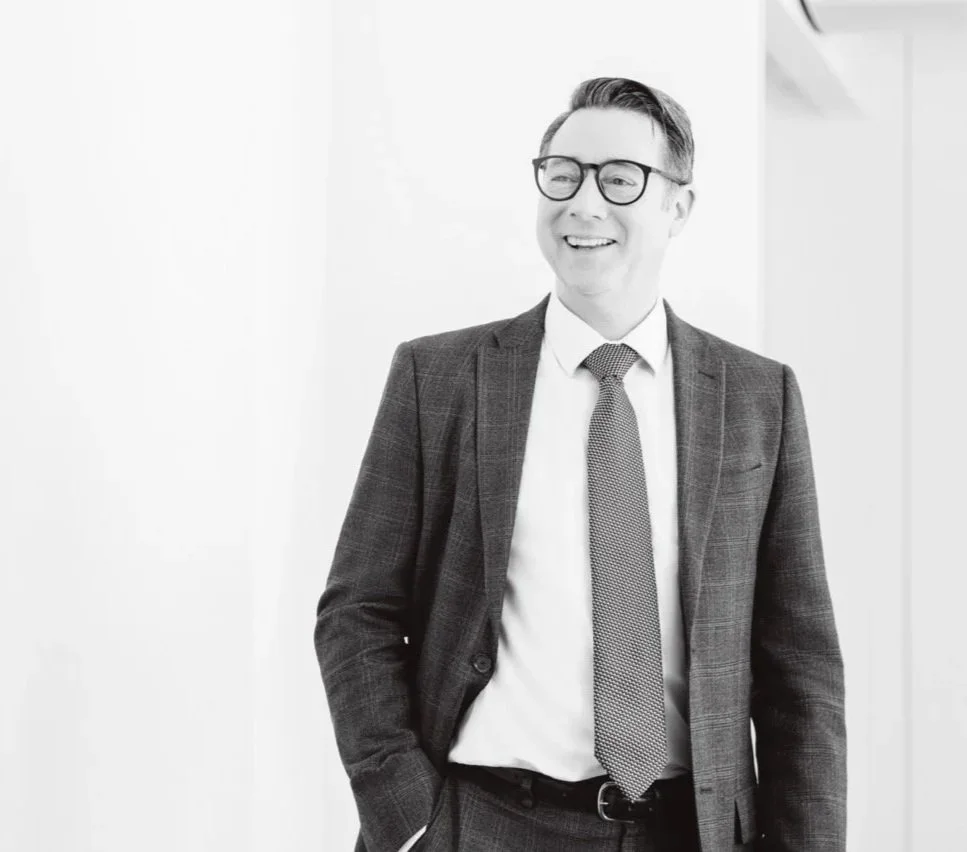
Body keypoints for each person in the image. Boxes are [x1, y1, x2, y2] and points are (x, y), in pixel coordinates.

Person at [314, 76, 846, 852]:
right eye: (562, 175)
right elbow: (357, 610)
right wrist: (407, 814)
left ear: (679, 207)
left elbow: (800, 667)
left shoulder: (757, 398)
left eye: (619, 179)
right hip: (480, 824)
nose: (584, 204)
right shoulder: (441, 378)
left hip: (688, 831)